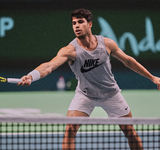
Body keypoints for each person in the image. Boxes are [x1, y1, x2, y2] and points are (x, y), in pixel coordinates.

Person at [18, 8, 160, 150]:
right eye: (74, 23)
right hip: (85, 95)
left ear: (90, 24)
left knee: (129, 131)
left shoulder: (107, 44)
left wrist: (153, 78)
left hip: (111, 94)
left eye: (80, 22)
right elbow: (49, 66)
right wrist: (31, 76)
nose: (77, 26)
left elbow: (128, 61)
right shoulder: (70, 50)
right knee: (70, 130)